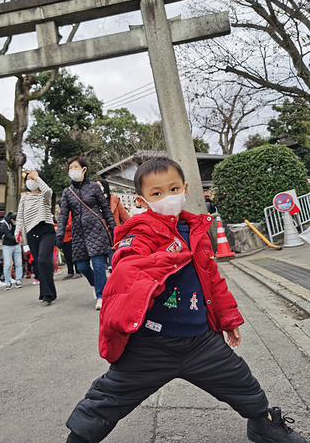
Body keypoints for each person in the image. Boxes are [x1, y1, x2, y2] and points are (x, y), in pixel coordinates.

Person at [65, 157, 307, 443]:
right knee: (107, 398)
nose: (167, 197)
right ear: (142, 200)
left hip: (200, 341)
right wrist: (168, 258)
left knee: (242, 382)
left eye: (173, 188)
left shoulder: (196, 231)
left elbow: (212, 278)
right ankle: (78, 439)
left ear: (185, 188)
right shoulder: (140, 231)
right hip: (150, 345)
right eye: (157, 193)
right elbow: (128, 267)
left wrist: (229, 319)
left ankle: (263, 425)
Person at [56, 156, 116, 310]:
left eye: (75, 167)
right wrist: (60, 234)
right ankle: (98, 284)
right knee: (82, 265)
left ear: (84, 169)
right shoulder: (67, 192)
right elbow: (63, 215)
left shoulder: (94, 187)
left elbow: (106, 209)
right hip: (78, 232)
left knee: (97, 264)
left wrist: (114, 228)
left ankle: (101, 296)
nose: (72, 170)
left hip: (96, 228)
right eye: (70, 168)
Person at [16, 169, 57, 305]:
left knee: (44, 260)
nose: (29, 180)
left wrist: (37, 178)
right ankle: (49, 293)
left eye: (32, 178)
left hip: (46, 230)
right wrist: (18, 232)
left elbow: (48, 191)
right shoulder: (24, 198)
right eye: (28, 178)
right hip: (31, 233)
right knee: (39, 263)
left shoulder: (44, 196)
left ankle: (48, 295)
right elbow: (20, 216)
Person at [96, 179, 129, 271]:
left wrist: (129, 229)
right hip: (101, 233)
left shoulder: (114, 199)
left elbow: (124, 216)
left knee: (116, 253)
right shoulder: (94, 202)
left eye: (99, 185)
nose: (97, 188)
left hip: (115, 231)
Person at [0, 212, 23, 290]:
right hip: (7, 246)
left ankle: (19, 280)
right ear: (12, 220)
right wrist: (17, 239)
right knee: (7, 264)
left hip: (17, 245)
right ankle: (8, 281)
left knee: (19, 263)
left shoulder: (18, 223)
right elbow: (7, 235)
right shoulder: (4, 224)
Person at [61, 213, 82, 280]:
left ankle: (78, 271)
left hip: (70, 238)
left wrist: (62, 227)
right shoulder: (62, 214)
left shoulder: (69, 214)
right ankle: (70, 271)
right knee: (67, 257)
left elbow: (71, 226)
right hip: (64, 239)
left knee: (73, 256)